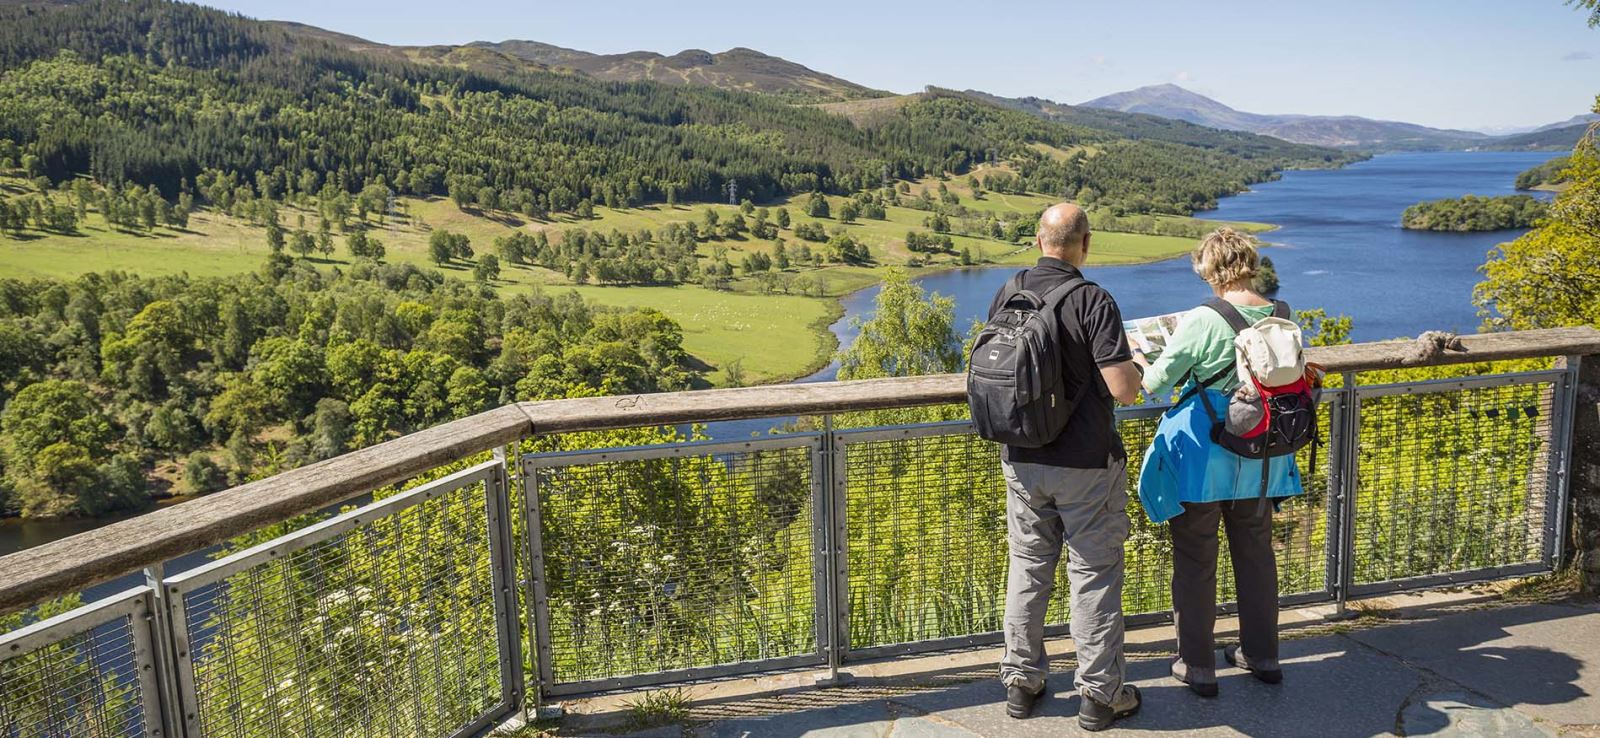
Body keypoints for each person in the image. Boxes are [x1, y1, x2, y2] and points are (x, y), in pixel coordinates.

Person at [990, 203, 1144, 731]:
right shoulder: (1093, 300)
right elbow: (1122, 388)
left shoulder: (1009, 291)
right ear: (1085, 244)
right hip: (1085, 463)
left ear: (1039, 240)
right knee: (1093, 575)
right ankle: (1100, 697)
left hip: (1021, 456)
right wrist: (1138, 368)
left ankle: (1020, 682)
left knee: (1028, 566)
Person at [1131, 227, 1304, 697]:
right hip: (1263, 458)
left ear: (1209, 269)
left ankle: (1198, 666)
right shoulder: (1283, 316)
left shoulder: (1204, 318)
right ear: (1250, 262)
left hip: (1203, 460)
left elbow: (1156, 384)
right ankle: (1263, 656)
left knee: (1195, 562)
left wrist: (1140, 358)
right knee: (1256, 557)